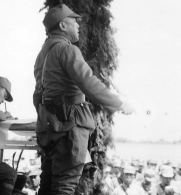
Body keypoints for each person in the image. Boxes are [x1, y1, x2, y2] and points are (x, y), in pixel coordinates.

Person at [33, 4, 135, 195]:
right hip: (69, 126)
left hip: (49, 127)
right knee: (65, 185)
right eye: (74, 21)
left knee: (47, 185)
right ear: (63, 26)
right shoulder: (67, 50)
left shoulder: (43, 54)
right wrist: (119, 104)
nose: (79, 25)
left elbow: (37, 94)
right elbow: (89, 83)